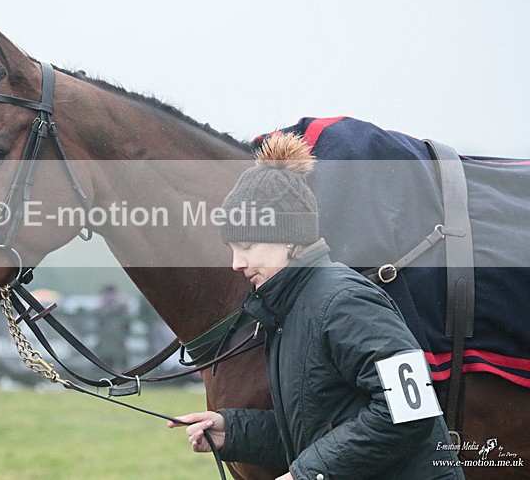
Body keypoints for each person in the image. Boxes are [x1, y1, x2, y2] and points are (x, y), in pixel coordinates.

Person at [168, 133, 464, 479]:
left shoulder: (345, 300)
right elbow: (312, 430)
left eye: (246, 245)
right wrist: (232, 430)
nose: (236, 263)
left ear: (290, 237)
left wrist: (306, 474)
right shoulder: (285, 312)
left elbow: (411, 412)